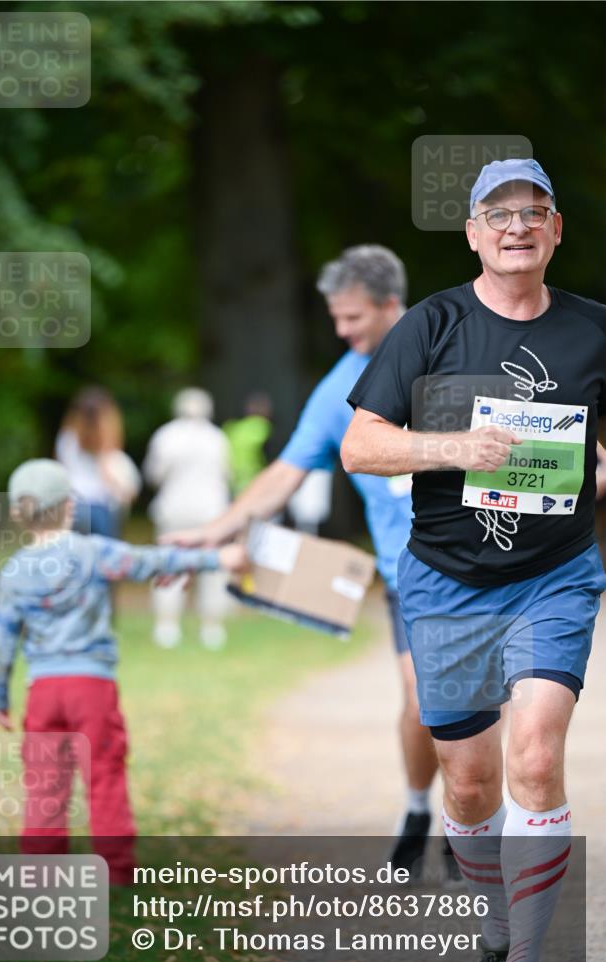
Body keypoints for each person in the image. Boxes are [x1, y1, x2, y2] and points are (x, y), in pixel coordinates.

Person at [343, 160, 606, 962]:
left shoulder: (595, 329)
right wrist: (451, 447)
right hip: (446, 581)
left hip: (553, 574)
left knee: (533, 755)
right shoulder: (431, 323)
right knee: (469, 784)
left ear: (556, 229)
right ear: (472, 234)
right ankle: (493, 933)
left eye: (533, 213)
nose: (516, 227)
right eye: (498, 216)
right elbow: (361, 445)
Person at [163, 245, 448, 874]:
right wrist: (214, 530)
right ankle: (418, 807)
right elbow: (286, 473)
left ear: (390, 305)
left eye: (352, 318)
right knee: (422, 693)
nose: (342, 332)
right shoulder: (339, 388)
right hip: (411, 572)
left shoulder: (451, 354)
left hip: (480, 565)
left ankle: (466, 817)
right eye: (335, 319)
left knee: (476, 702)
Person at [0, 459, 247, 883]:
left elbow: (3, 644)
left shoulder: (13, 571)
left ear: (19, 513)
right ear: (70, 506)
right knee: (104, 771)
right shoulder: (93, 553)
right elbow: (150, 561)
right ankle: (115, 867)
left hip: (43, 690)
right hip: (92, 686)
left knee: (45, 780)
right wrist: (218, 558)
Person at [143, 388, 232, 650]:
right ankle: (212, 627)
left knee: (170, 565)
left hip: (174, 510)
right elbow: (227, 474)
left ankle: (167, 626)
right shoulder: (216, 438)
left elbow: (153, 474)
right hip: (211, 511)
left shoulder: (166, 436)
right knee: (213, 569)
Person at [55, 386, 141, 539]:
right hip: (99, 508)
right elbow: (108, 477)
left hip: (73, 507)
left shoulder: (67, 439)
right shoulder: (105, 445)